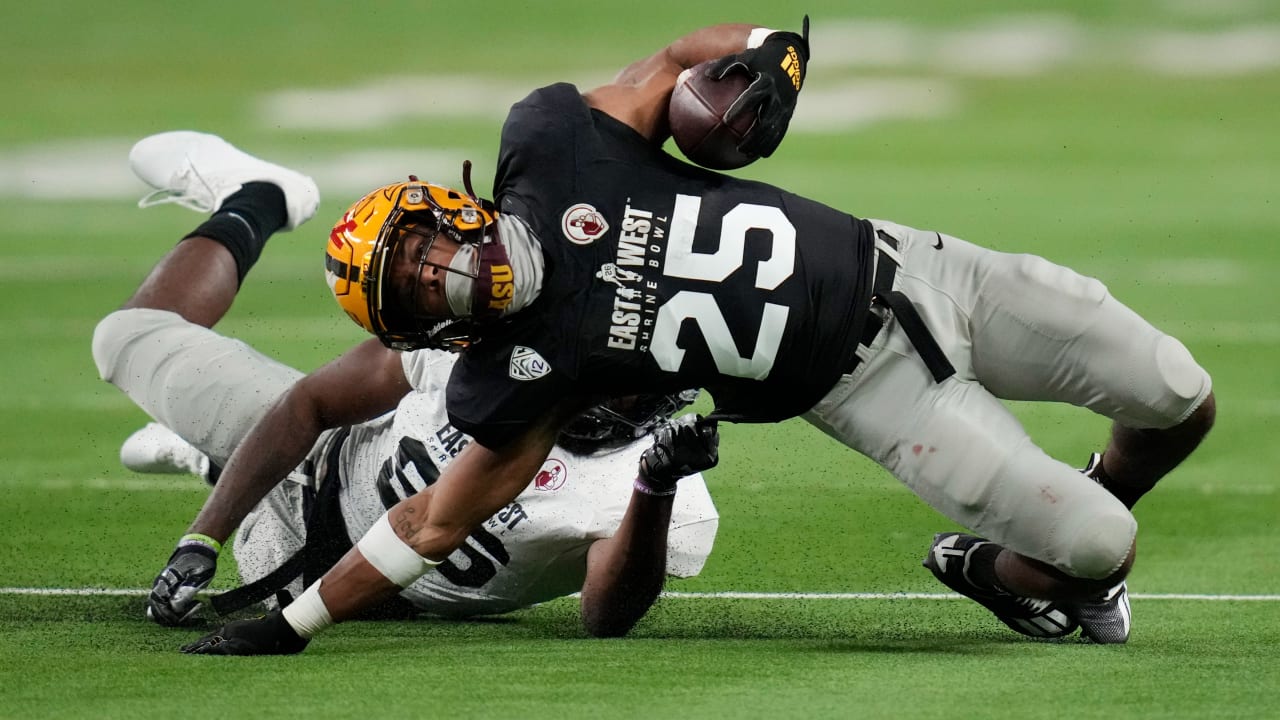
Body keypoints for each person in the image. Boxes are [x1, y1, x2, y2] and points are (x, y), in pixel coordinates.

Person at [122, 17, 1214, 655]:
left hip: (924, 268)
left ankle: (1081, 515)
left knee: (1174, 391)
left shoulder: (554, 148)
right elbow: (431, 517)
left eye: (421, 246)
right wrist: (297, 624)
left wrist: (756, 54)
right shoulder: (514, 376)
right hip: (876, 399)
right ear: (427, 328)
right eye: (419, 287)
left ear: (440, 205)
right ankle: (1011, 569)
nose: (441, 270)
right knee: (1094, 548)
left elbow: (669, 58)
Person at [91, 132, 720, 644]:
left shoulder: (661, 489)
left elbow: (606, 615)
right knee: (121, 337)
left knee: (268, 560)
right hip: (322, 460)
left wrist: (654, 486)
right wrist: (203, 536)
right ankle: (256, 198)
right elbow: (311, 403)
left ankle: (207, 458)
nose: (591, 382)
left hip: (348, 587)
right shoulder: (486, 340)